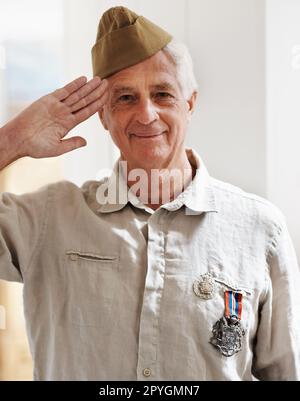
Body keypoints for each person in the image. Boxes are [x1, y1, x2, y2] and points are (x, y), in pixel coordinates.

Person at [0, 6, 299, 381]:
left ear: (189, 104)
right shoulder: (46, 220)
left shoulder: (260, 230)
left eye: (162, 94)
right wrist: (11, 140)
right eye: (125, 98)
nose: (146, 114)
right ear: (103, 116)